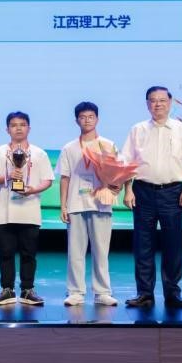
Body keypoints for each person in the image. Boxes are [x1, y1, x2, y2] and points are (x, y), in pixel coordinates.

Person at [121, 86, 182, 309]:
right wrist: (128, 190)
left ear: (170, 102)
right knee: (142, 245)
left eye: (162, 100)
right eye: (153, 100)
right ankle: (144, 294)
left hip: (173, 193)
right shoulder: (137, 129)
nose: (158, 104)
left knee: (173, 245)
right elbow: (127, 163)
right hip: (142, 192)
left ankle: (173, 294)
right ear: (147, 104)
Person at [0, 111, 53, 306]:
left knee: (28, 254)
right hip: (4, 213)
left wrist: (32, 190)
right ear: (7, 129)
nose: (18, 128)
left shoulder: (39, 153)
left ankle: (27, 290)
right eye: (14, 125)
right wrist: (8, 176)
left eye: (22, 125)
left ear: (29, 128)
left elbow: (47, 180)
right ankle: (7, 290)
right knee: (5, 254)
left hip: (30, 211)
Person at [57, 101, 119, 307]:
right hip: (76, 204)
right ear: (77, 121)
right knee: (75, 252)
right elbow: (64, 178)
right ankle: (76, 292)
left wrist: (115, 187)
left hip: (101, 204)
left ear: (97, 119)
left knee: (101, 251)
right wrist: (63, 206)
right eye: (82, 117)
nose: (87, 120)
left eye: (91, 117)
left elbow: (118, 175)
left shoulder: (108, 145)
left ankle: (102, 292)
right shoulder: (69, 148)